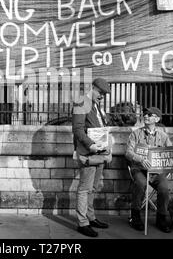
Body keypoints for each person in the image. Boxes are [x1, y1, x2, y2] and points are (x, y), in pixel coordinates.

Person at [72, 78, 112, 237]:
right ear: (92, 88)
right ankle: (82, 223)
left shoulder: (96, 105)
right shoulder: (81, 102)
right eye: (100, 92)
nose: (102, 96)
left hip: (99, 153)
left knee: (93, 188)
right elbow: (77, 129)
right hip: (89, 153)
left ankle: (91, 217)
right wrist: (90, 145)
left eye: (104, 94)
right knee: (84, 188)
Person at [125, 107, 172, 233]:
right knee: (140, 184)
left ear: (157, 119)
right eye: (145, 114)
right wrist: (140, 159)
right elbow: (128, 153)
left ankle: (161, 218)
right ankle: (135, 216)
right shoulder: (135, 133)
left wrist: (165, 167)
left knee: (164, 188)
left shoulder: (163, 136)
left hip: (157, 171)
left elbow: (170, 153)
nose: (145, 116)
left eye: (149, 115)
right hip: (139, 169)